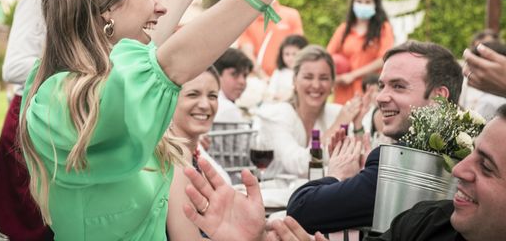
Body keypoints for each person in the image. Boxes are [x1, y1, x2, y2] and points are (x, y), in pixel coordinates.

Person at [18, 0, 353, 240]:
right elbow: (165, 63)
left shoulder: (113, 83)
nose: (161, 6)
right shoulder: (59, 99)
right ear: (106, 7)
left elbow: (152, 55)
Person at [182, 103, 506, 241]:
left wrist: (336, 175)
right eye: (381, 83)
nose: (461, 168)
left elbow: (304, 208)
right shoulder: (429, 222)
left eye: (487, 166)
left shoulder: (397, 166)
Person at [0, 0, 110, 240]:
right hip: (31, 123)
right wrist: (83, 68)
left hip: (72, 121)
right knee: (32, 226)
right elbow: (12, 65)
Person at [286, 41, 463, 234]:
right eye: (382, 86)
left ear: (439, 98)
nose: (380, 97)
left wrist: (337, 174)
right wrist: (360, 176)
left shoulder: (400, 160)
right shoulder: (464, 150)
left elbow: (300, 209)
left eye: (398, 86)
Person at [254, 45, 364, 178]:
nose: (316, 85)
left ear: (332, 84)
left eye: (323, 78)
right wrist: (337, 125)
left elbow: (355, 162)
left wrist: (358, 125)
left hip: (319, 194)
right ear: (295, 80)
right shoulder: (277, 115)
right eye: (308, 77)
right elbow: (297, 164)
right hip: (274, 194)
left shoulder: (336, 112)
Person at [167, 67, 231, 241]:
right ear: (170, 99)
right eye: (193, 94)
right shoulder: (176, 156)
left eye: (212, 96)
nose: (205, 104)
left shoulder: (192, 150)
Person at [327, 0, 394, 104]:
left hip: (370, 91)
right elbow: (327, 56)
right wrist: (336, 78)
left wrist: (353, 75)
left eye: (367, 2)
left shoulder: (383, 29)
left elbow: (384, 59)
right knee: (343, 122)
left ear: (375, 4)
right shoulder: (344, 29)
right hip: (343, 93)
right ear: (353, 3)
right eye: (359, 1)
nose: (363, 5)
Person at [237, 0, 304, 78]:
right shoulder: (247, 19)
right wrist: (263, 77)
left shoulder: (291, 14)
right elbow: (247, 52)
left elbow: (298, 47)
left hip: (286, 76)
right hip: (258, 79)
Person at [213, 48, 254, 123]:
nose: (242, 81)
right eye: (234, 74)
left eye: (245, 76)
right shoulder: (227, 109)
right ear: (217, 75)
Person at [266, 35, 308, 102]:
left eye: (294, 54)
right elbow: (271, 90)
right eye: (287, 54)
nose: (290, 58)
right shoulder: (279, 72)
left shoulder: (307, 73)